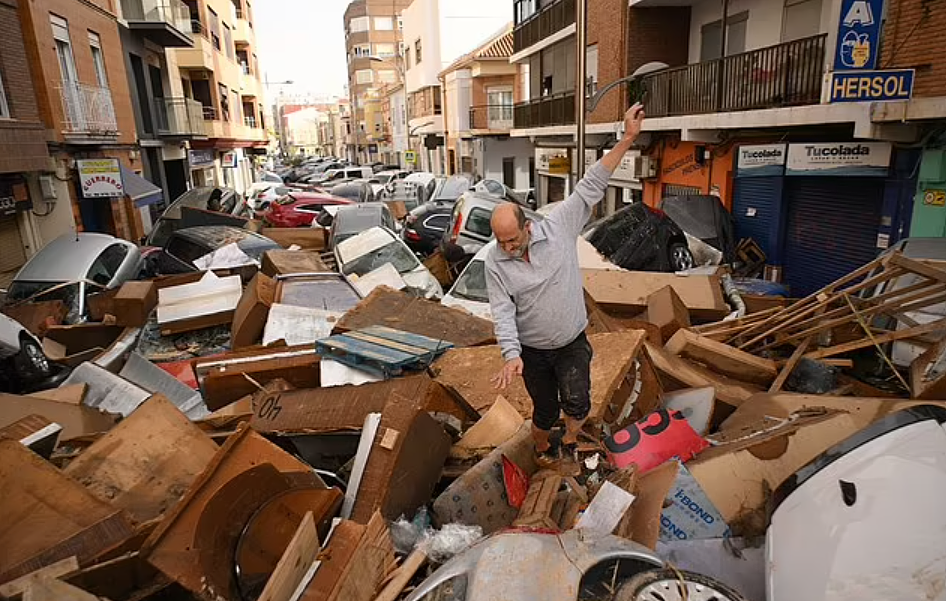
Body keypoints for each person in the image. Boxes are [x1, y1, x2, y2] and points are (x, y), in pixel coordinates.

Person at [484, 103, 646, 463]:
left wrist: (628, 138)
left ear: (527, 226)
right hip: (533, 352)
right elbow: (502, 310)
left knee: (577, 401)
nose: (508, 249)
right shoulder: (494, 262)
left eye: (513, 240)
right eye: (501, 242)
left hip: (572, 341)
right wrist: (511, 355)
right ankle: (542, 448)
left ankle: (570, 439)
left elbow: (591, 184)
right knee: (543, 411)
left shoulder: (558, 226)